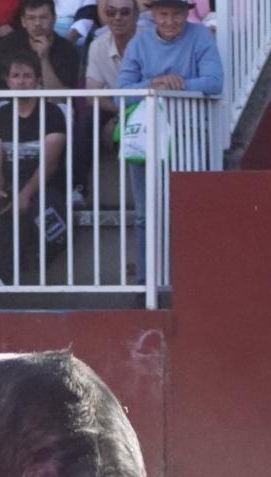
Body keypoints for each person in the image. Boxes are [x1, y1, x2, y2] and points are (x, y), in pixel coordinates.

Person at [117, 0, 218, 278]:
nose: (170, 21)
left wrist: (178, 82)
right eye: (163, 14)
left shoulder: (200, 36)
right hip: (146, 136)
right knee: (144, 214)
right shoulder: (139, 42)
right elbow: (120, 94)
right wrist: (154, 85)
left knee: (190, 208)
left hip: (188, 133)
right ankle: (147, 281)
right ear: (153, 15)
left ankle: (191, 279)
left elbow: (214, 81)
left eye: (176, 14)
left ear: (187, 13)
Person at [0, 48, 65, 284]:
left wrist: (25, 195)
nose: (22, 81)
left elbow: (50, 163)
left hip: (45, 186)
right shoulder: (0, 114)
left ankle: (37, 275)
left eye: (27, 76)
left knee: (44, 215)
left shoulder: (52, 113)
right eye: (16, 76)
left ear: (38, 80)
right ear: (8, 81)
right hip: (11, 183)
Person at [0, 0, 78, 89]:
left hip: (51, 106)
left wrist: (44, 58)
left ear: (54, 19)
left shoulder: (66, 49)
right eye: (31, 18)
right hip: (11, 103)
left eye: (43, 17)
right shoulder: (11, 41)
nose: (37, 23)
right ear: (23, 21)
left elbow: (60, 98)